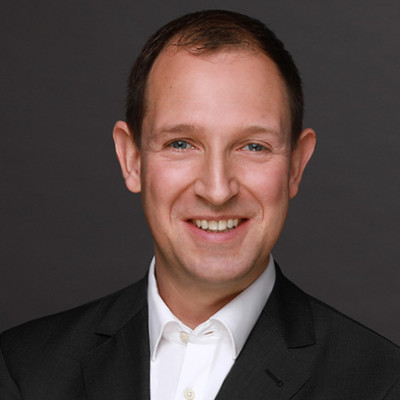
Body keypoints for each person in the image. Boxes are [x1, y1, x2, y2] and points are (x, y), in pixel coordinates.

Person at [1, 9, 399, 400]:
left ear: (296, 165)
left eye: (253, 146)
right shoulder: (22, 369)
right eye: (181, 144)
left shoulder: (383, 384)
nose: (217, 189)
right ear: (132, 159)